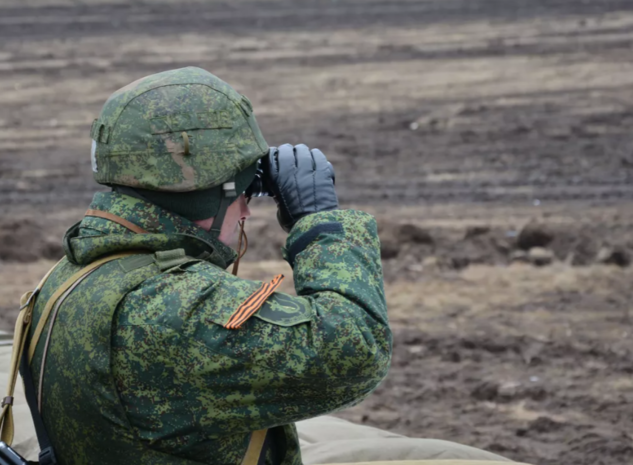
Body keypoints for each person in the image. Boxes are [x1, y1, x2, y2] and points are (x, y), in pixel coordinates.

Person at [24, 66, 391, 465]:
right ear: (204, 197)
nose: (247, 209)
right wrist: (318, 223)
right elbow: (356, 349)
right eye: (241, 192)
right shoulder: (170, 308)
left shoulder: (74, 274)